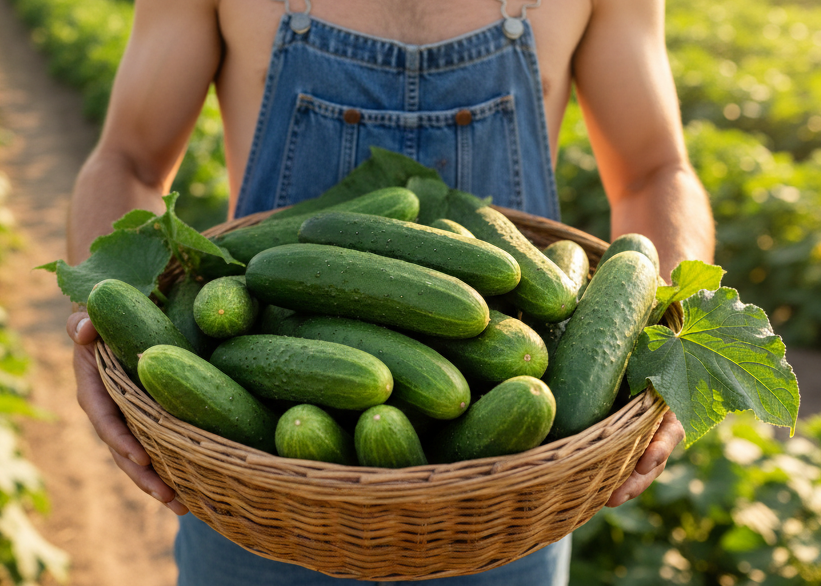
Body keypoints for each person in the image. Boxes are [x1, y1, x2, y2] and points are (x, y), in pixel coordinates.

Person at [65, 0, 714, 584]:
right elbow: (128, 157)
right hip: (253, 483)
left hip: (510, 493)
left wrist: (668, 348)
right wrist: (101, 317)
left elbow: (655, 169)